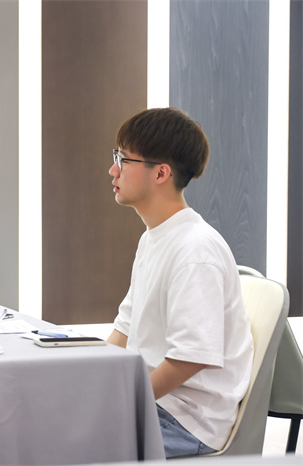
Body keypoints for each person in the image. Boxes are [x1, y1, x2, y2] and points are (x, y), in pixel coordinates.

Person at [106, 108, 254, 458]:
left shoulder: (195, 250)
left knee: (63, 441)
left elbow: (189, 359)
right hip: (158, 403)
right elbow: (124, 328)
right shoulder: (153, 238)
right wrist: (91, 382)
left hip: (186, 420)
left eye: (123, 160)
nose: (113, 170)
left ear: (161, 173)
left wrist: (121, 399)